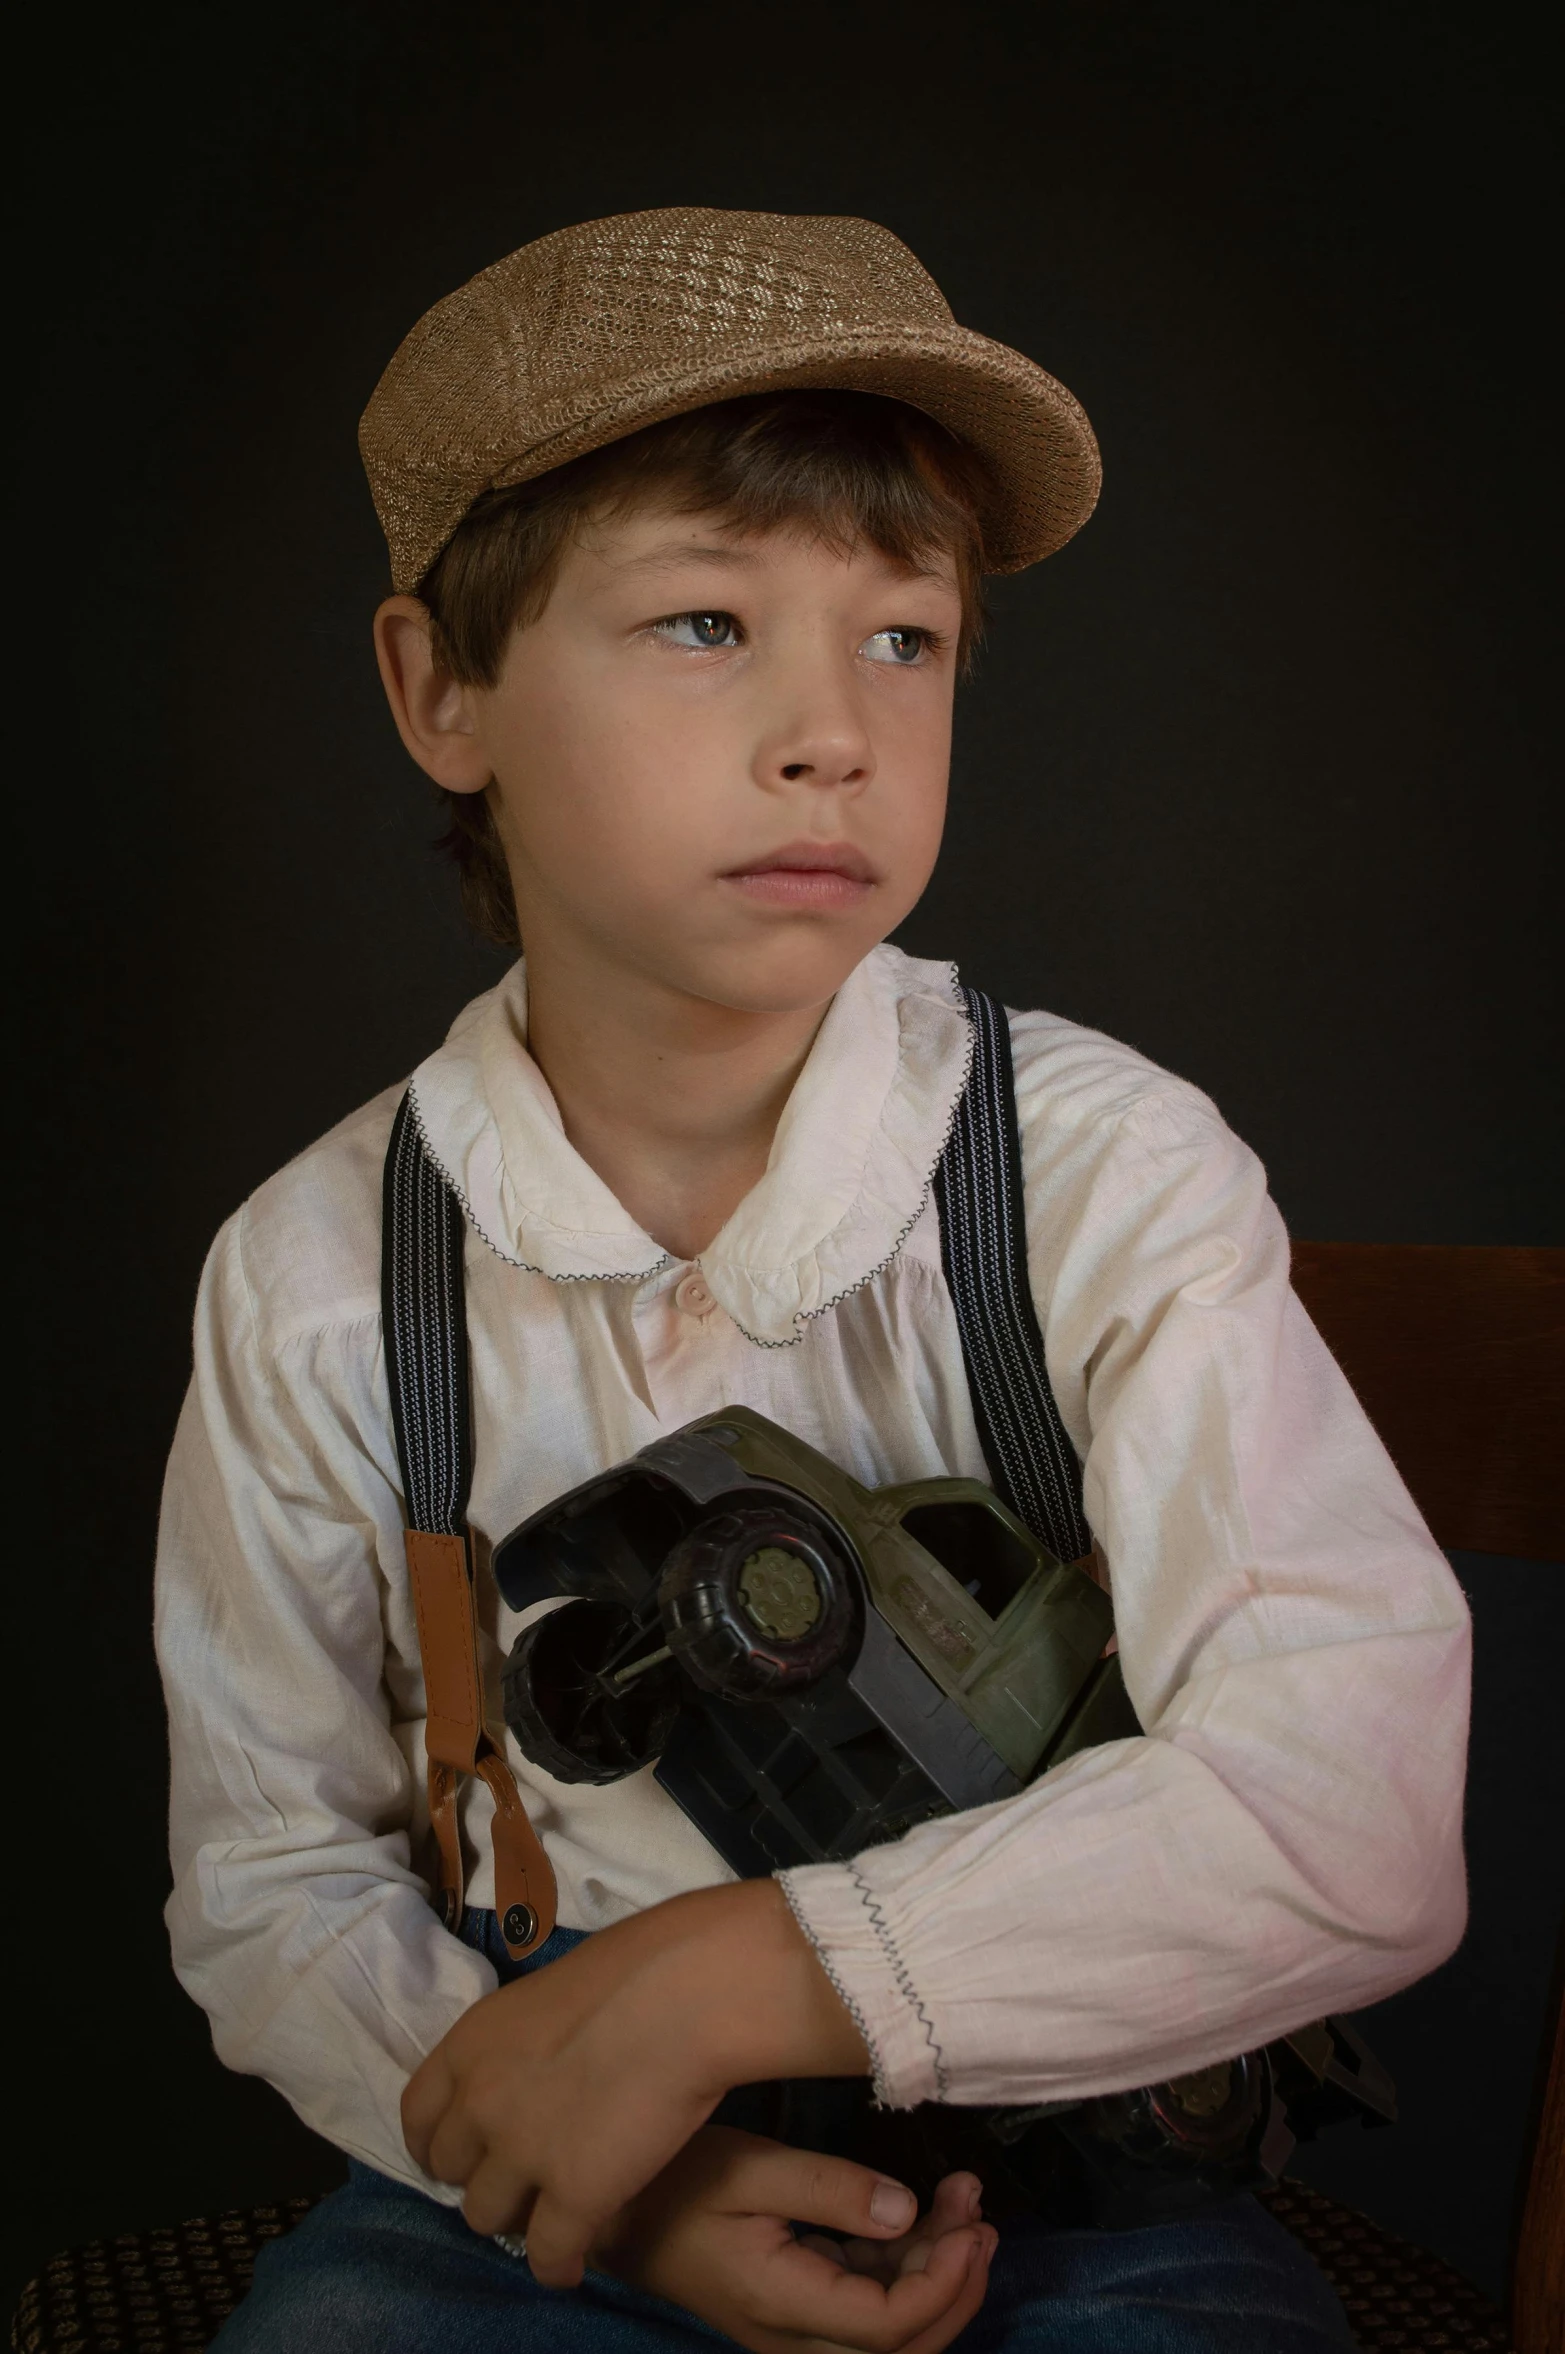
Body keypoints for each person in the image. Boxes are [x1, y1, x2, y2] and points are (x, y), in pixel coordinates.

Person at [155, 206, 1470, 2353]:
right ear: (440, 689)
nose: (827, 732)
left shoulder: (1096, 1171)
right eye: (699, 623)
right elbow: (274, 1878)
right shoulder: (319, 1274)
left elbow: (1349, 1804)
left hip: (1076, 2193)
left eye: (900, 638)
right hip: (541, 2197)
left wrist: (733, 1973)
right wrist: (632, 2172)